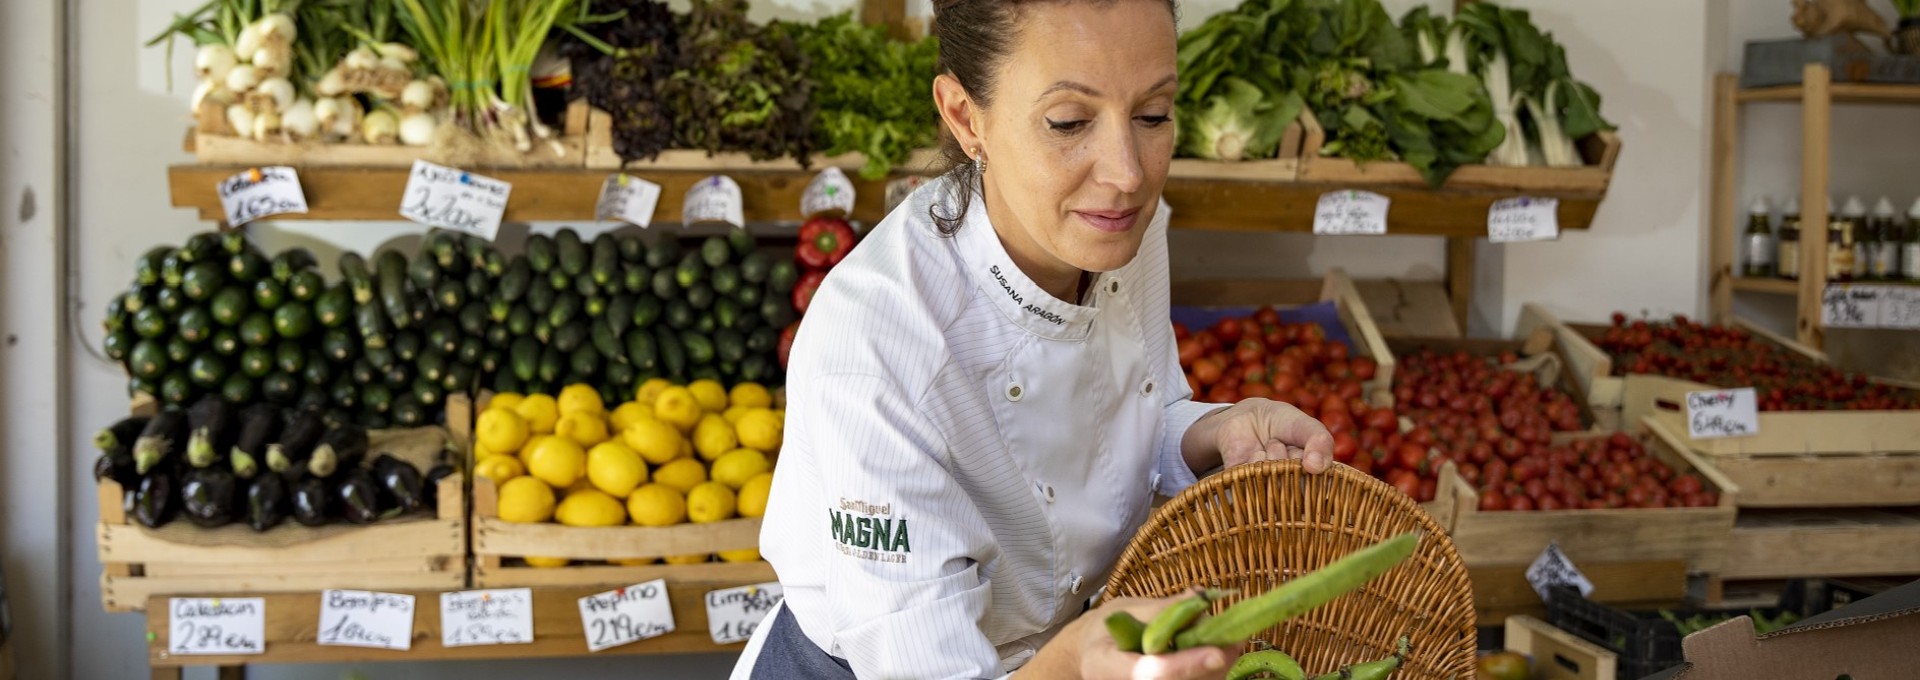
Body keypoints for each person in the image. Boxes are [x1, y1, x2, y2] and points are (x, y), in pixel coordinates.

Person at [731, 0, 1334, 676]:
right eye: (1069, 123)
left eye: (1154, 115)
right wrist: (1073, 662)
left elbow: (1127, 416)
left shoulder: (1121, 225)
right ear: (965, 117)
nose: (1128, 173)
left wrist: (1216, 430)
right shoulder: (877, 351)